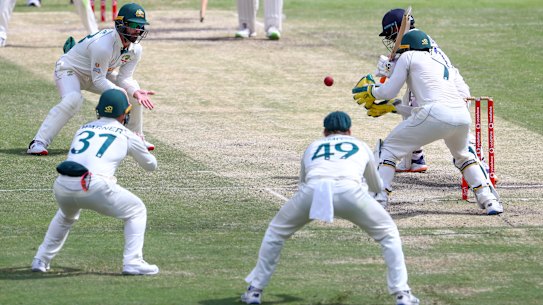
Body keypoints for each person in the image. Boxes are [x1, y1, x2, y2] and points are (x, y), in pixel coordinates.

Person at [240, 111, 420, 305]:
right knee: (389, 234)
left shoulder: (312, 146)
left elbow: (303, 184)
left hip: (312, 192)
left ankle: (254, 291)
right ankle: (402, 294)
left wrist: (314, 207)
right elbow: (377, 187)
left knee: (275, 232)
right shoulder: (360, 145)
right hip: (351, 193)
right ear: (349, 131)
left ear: (325, 132)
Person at [352, 30, 503, 215]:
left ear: (406, 47)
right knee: (464, 157)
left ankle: (379, 199)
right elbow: (428, 108)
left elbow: (387, 92)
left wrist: (371, 90)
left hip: (435, 114)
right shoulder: (440, 61)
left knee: (388, 150)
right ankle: (489, 200)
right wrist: (396, 107)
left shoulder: (408, 56)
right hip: (461, 116)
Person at [31, 88, 159, 275]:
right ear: (125, 113)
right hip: (94, 186)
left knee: (65, 216)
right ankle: (133, 262)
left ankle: (40, 260)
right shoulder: (127, 134)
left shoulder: (83, 128)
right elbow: (150, 166)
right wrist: (138, 144)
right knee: (136, 210)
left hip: (63, 184)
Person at [27, 2, 155, 155]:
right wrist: (120, 91)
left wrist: (134, 91)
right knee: (73, 100)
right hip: (70, 70)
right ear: (121, 24)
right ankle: (38, 142)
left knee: (135, 93)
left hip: (98, 73)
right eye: (133, 25)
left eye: (140, 26)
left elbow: (125, 77)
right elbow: (98, 80)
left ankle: (136, 138)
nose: (137, 30)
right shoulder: (103, 46)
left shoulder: (136, 49)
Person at [374, 8, 473, 173]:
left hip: (449, 94)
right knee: (409, 103)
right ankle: (414, 158)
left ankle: (478, 162)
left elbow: (404, 71)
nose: (389, 38)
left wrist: (388, 69)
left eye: (390, 33)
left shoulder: (412, 44)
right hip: (456, 90)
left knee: (413, 107)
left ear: (397, 29)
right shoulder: (420, 39)